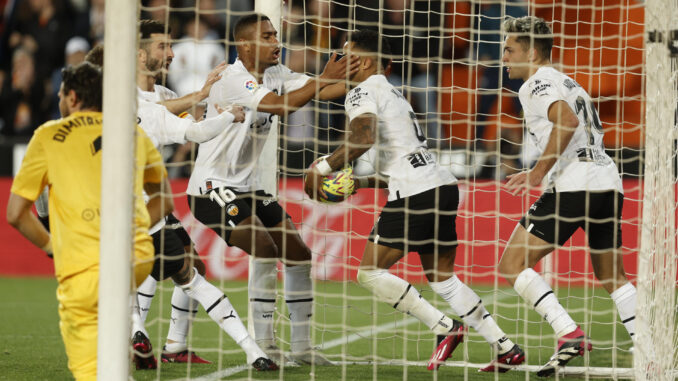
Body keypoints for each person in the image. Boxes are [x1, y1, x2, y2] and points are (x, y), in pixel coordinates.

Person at [304, 29, 525, 373]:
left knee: (370, 274)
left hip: (415, 192)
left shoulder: (362, 91)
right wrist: (360, 181)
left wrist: (320, 167)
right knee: (443, 278)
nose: (339, 62)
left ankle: (445, 328)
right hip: (441, 186)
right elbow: (399, 161)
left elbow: (363, 137)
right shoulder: (394, 94)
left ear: (361, 61)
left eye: (344, 55)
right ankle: (505, 346)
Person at [84, 43, 278, 371]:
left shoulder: (93, 110)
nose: (171, 53)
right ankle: (250, 348)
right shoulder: (146, 105)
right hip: (147, 208)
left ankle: (141, 332)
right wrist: (223, 109)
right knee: (189, 275)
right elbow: (193, 128)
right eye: (163, 45)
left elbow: (187, 117)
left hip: (99, 211)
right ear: (139, 55)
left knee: (132, 272)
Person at [186, 13, 358, 365]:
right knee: (264, 245)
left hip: (248, 187)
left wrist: (364, 78)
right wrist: (324, 77)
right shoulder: (234, 79)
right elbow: (283, 106)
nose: (277, 43)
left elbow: (326, 90)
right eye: (267, 37)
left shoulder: (277, 75)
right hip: (211, 187)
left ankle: (302, 347)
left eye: (276, 35)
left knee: (298, 252)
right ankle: (264, 342)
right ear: (246, 45)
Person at [5, 62, 165, 380]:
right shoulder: (131, 133)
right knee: (111, 336)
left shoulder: (48, 135)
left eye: (62, 95)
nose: (60, 101)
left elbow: (15, 213)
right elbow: (164, 200)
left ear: (74, 98)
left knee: (91, 371)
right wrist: (133, 231)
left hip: (83, 267)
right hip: (138, 257)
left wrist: (52, 247)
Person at [498, 16, 636, 377]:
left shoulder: (536, 83)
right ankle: (648, 345)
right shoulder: (567, 81)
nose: (505, 58)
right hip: (607, 182)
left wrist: (537, 173)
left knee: (511, 264)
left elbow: (567, 123)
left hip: (574, 184)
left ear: (531, 51)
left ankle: (568, 332)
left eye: (510, 50)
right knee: (612, 276)